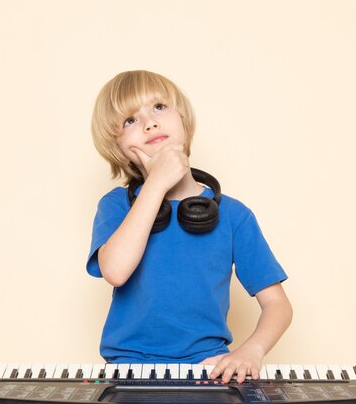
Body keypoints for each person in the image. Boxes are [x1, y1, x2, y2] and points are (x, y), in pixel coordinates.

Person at [87, 70, 292, 383]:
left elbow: (277, 304)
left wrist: (252, 350)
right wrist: (156, 182)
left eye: (159, 107)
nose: (149, 123)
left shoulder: (235, 215)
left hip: (211, 368)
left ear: (183, 120)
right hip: (128, 370)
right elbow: (115, 270)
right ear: (117, 146)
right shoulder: (116, 206)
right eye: (129, 120)